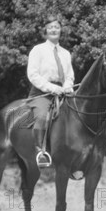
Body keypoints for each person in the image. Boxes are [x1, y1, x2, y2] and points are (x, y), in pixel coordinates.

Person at [27, 16, 75, 167]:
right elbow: (33, 75)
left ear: (61, 31)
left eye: (57, 27)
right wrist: (52, 88)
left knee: (81, 112)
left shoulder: (66, 53)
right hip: (42, 93)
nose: (54, 29)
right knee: (42, 115)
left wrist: (67, 86)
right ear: (46, 31)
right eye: (50, 27)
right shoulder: (38, 50)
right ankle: (40, 152)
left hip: (63, 92)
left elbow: (70, 75)